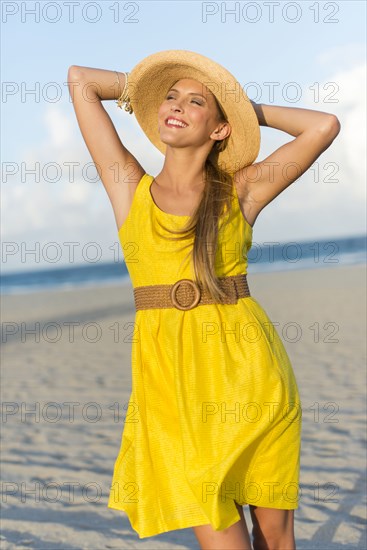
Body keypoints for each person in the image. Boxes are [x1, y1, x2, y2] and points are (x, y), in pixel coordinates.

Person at [68, 50, 340, 550]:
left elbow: (322, 126)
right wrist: (143, 86)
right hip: (170, 389)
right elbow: (81, 80)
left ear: (219, 129)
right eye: (170, 97)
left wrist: (240, 108)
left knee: (276, 536)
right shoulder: (129, 187)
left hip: (253, 377)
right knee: (217, 529)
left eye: (196, 102)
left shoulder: (242, 191)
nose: (176, 105)